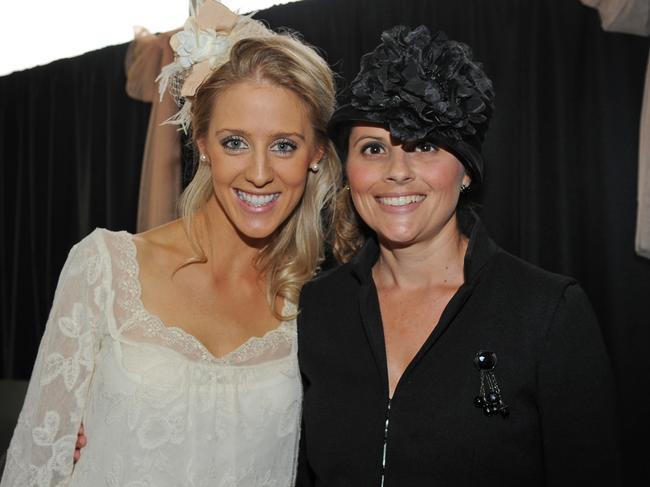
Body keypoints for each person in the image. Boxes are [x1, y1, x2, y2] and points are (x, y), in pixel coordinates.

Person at [0, 1, 340, 485]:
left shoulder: (316, 310)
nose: (260, 173)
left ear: (315, 154)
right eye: (235, 142)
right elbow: (34, 466)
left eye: (283, 144)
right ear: (201, 143)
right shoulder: (106, 268)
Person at [296, 25, 620, 486]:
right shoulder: (318, 309)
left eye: (424, 145)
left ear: (466, 169)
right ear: (348, 169)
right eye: (373, 149)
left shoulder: (546, 312)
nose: (398, 172)